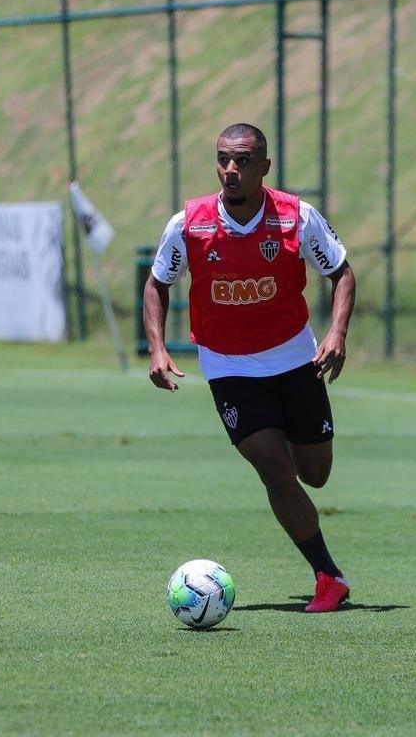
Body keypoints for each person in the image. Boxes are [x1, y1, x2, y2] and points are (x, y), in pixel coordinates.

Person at [144, 123, 356, 613]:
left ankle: (282, 438)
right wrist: (157, 348)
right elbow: (157, 284)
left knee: (315, 474)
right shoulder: (188, 224)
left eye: (242, 161)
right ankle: (329, 576)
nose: (231, 170)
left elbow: (341, 272)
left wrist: (337, 333)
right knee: (273, 469)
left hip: (294, 360)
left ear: (264, 166)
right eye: (223, 159)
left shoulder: (297, 217)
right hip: (229, 368)